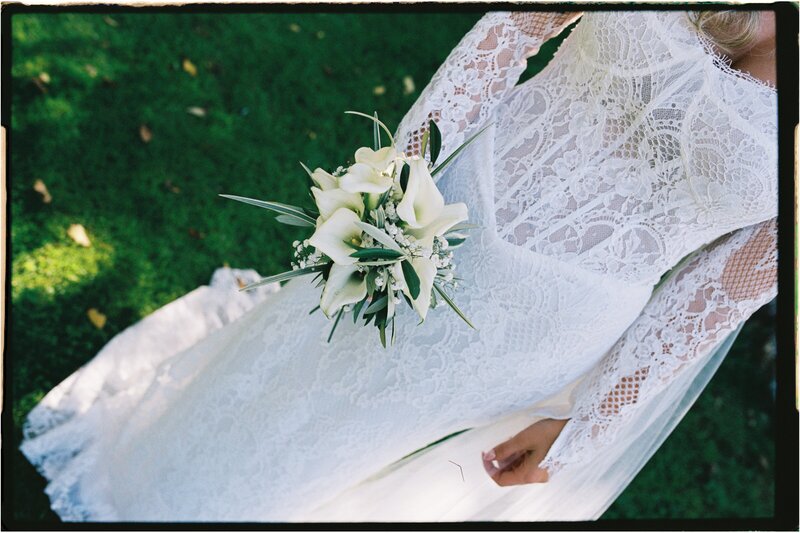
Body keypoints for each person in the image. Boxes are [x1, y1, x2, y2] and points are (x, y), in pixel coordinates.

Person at [20, 10, 778, 521]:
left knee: (354, 436)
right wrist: (399, 175)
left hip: (539, 324)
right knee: (296, 350)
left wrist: (592, 417)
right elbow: (518, 24)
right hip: (446, 196)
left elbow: (726, 281)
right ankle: (154, 472)